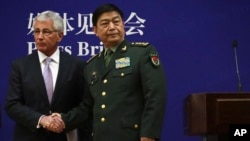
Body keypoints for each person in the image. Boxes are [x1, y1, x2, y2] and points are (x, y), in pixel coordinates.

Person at [50, 3, 167, 141]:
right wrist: (64, 119)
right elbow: (87, 107)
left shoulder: (141, 53)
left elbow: (155, 96)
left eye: (116, 22)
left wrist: (149, 134)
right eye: (105, 23)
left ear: (123, 25)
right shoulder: (91, 66)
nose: (112, 27)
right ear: (95, 30)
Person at [5, 10, 92, 141]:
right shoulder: (20, 66)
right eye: (36, 31)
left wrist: (64, 120)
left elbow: (85, 105)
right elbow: (12, 104)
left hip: (64, 136)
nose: (39, 37)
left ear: (60, 36)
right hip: (30, 136)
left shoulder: (77, 65)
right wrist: (41, 119)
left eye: (46, 32)